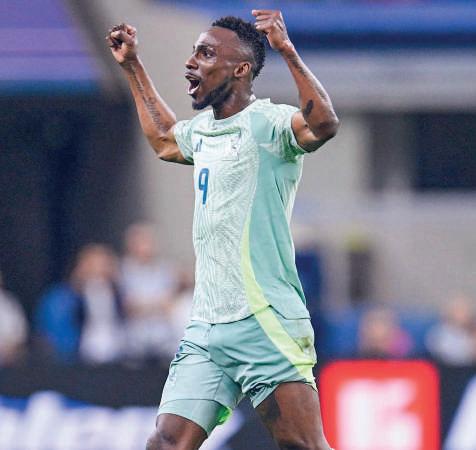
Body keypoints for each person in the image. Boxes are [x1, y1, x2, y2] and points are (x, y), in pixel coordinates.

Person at [106, 9, 338, 450]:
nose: (191, 61)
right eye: (194, 52)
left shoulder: (268, 123)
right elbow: (165, 139)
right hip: (207, 326)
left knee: (302, 445)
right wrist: (132, 65)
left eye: (206, 53)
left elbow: (323, 124)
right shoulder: (204, 131)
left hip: (265, 320)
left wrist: (287, 50)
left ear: (240, 69)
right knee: (167, 442)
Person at [120, 222, 180, 360]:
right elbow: (128, 305)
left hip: (163, 338)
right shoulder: (123, 270)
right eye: (141, 242)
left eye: (148, 242)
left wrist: (143, 304)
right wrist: (156, 303)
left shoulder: (166, 269)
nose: (145, 247)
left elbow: (169, 304)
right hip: (134, 340)